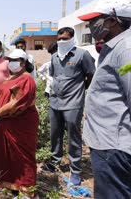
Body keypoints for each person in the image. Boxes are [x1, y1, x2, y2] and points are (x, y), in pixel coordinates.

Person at [78, 0, 131, 199]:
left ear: (112, 20)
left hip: (114, 144)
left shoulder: (126, 49)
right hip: (107, 142)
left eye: (95, 21)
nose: (90, 27)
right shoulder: (114, 47)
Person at [0, 49, 39, 199]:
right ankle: (13, 184)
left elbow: (15, 104)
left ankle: (28, 192)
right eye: (9, 59)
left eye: (14, 60)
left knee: (24, 157)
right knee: (8, 155)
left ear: (23, 62)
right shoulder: (10, 78)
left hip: (22, 124)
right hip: (6, 122)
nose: (11, 62)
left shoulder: (26, 79)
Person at [41, 27, 96, 186]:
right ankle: (55, 161)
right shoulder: (55, 56)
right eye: (59, 39)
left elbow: (91, 74)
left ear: (72, 38)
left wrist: (80, 89)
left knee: (73, 136)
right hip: (55, 101)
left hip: (73, 102)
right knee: (55, 134)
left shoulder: (82, 55)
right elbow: (54, 76)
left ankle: (75, 171)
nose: (61, 42)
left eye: (64, 39)